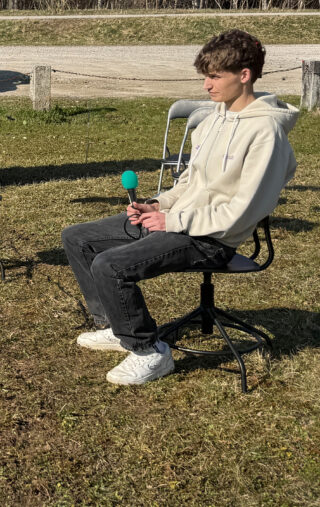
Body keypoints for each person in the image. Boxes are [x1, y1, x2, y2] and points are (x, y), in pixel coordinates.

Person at [61, 29, 298, 386]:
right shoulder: (215, 118)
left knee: (110, 265)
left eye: (216, 76)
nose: (206, 85)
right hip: (178, 220)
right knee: (79, 238)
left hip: (212, 238)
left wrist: (172, 219)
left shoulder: (266, 132)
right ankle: (115, 326)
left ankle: (149, 352)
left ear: (245, 75)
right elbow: (190, 181)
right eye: (205, 75)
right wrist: (157, 204)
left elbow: (243, 210)